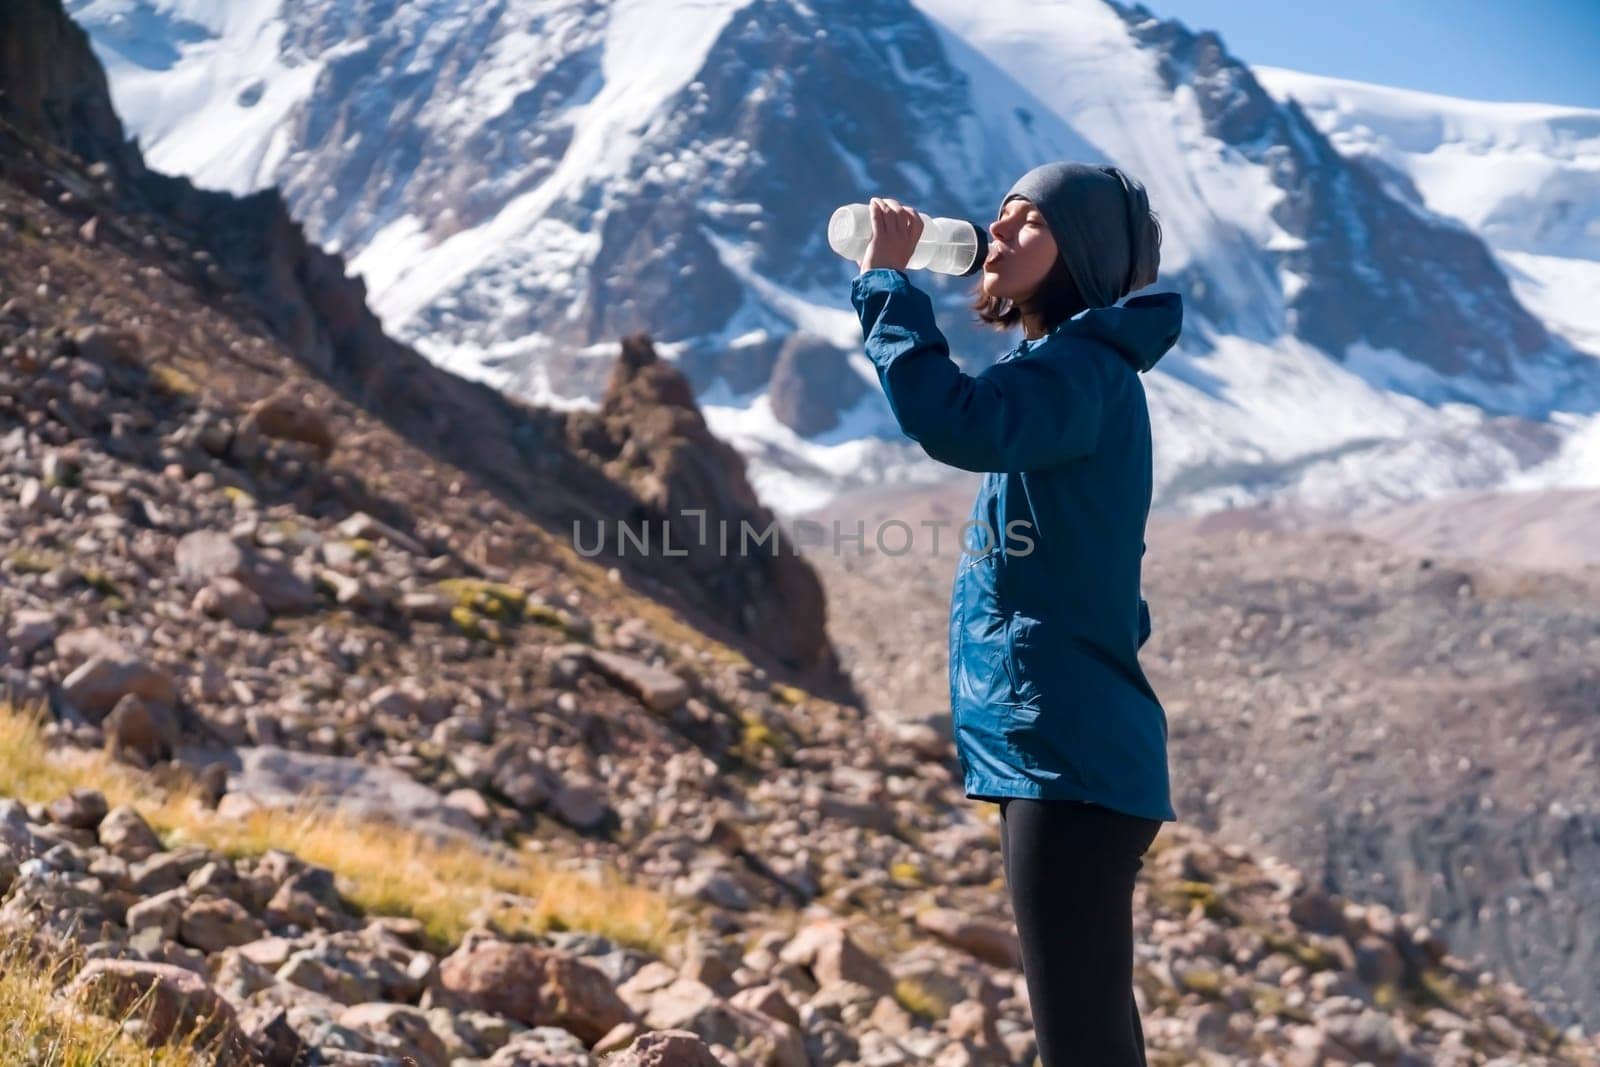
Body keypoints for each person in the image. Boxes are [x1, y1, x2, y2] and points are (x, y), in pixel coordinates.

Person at [848, 161, 1182, 1066]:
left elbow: (955, 419)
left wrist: (887, 281)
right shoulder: (1067, 370)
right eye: (999, 218)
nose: (996, 235)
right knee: (1088, 1031)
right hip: (1066, 751)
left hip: (1067, 755)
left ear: (1079, 254)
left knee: (1082, 1038)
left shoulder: (1081, 370)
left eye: (1028, 223)